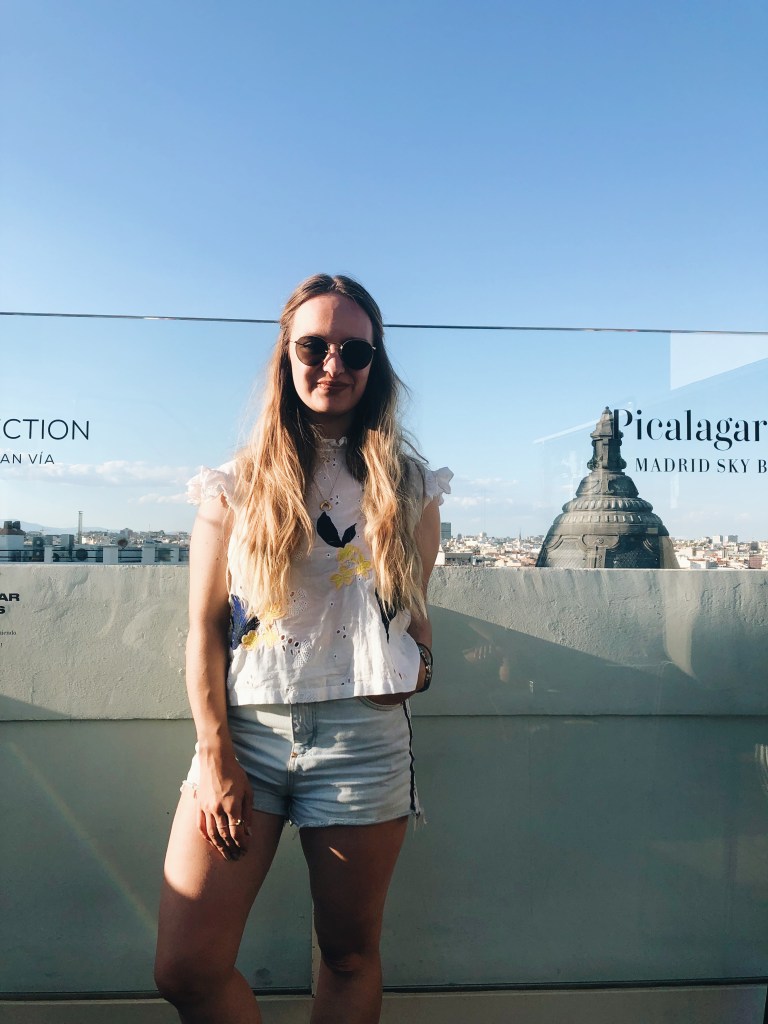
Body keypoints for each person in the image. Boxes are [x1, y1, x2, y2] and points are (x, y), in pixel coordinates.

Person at [154, 274, 451, 1024]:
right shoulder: (235, 485)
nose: (333, 364)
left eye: (355, 350)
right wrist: (216, 752)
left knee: (348, 957)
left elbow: (413, 617)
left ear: (376, 364)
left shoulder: (411, 486)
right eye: (314, 346)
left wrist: (417, 667)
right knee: (186, 968)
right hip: (246, 738)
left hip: (363, 741)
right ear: (285, 355)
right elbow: (204, 628)